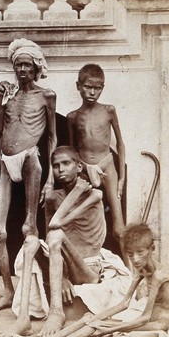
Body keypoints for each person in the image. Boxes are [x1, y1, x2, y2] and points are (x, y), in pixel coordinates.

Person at [10, 223, 169, 337]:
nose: (135, 259)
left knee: (98, 324)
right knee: (90, 317)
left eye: (140, 253)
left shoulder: (160, 275)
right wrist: (98, 319)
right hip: (149, 317)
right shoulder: (142, 271)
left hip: (160, 323)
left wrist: (107, 328)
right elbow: (124, 304)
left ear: (151, 250)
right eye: (130, 254)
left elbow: (145, 317)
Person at [0, 38, 57, 313]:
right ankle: (8, 291)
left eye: (27, 65)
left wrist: (51, 179)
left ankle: (30, 296)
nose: (22, 69)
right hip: (6, 161)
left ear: (36, 68)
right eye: (18, 65)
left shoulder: (47, 95)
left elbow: (52, 138)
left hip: (31, 159)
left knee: (28, 227)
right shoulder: (6, 95)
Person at [36, 146, 107, 337]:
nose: (61, 169)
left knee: (56, 234)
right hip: (65, 265)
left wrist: (78, 191)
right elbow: (49, 237)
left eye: (66, 163)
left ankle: (56, 312)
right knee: (32, 242)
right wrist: (62, 277)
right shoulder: (52, 198)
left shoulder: (94, 194)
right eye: (56, 165)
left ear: (79, 166)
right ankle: (23, 322)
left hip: (89, 269)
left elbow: (56, 224)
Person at [67, 64, 125, 243]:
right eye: (88, 87)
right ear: (78, 86)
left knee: (118, 226)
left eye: (97, 88)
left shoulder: (109, 110)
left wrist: (121, 178)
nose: (92, 92)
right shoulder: (73, 117)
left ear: (102, 88)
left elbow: (121, 145)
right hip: (83, 168)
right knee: (81, 217)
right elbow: (72, 150)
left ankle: (130, 270)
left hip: (106, 165)